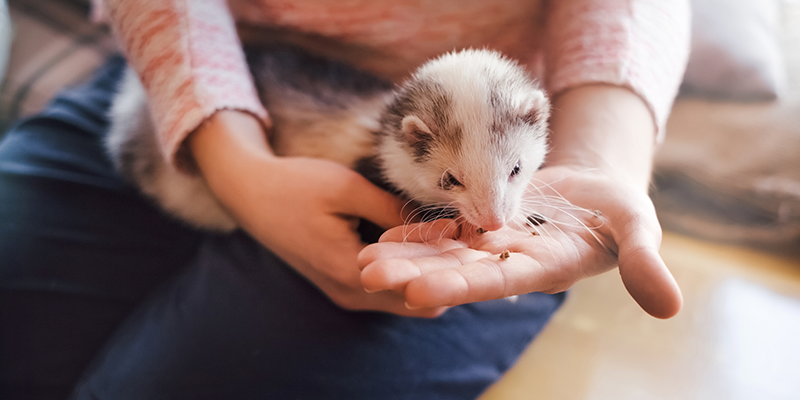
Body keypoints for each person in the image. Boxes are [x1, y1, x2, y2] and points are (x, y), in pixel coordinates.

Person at [0, 1, 689, 399]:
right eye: (456, 188)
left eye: (511, 181)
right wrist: (238, 168)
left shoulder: (497, 155)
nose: (494, 216)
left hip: (472, 107)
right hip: (187, 72)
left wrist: (600, 159)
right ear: (416, 150)